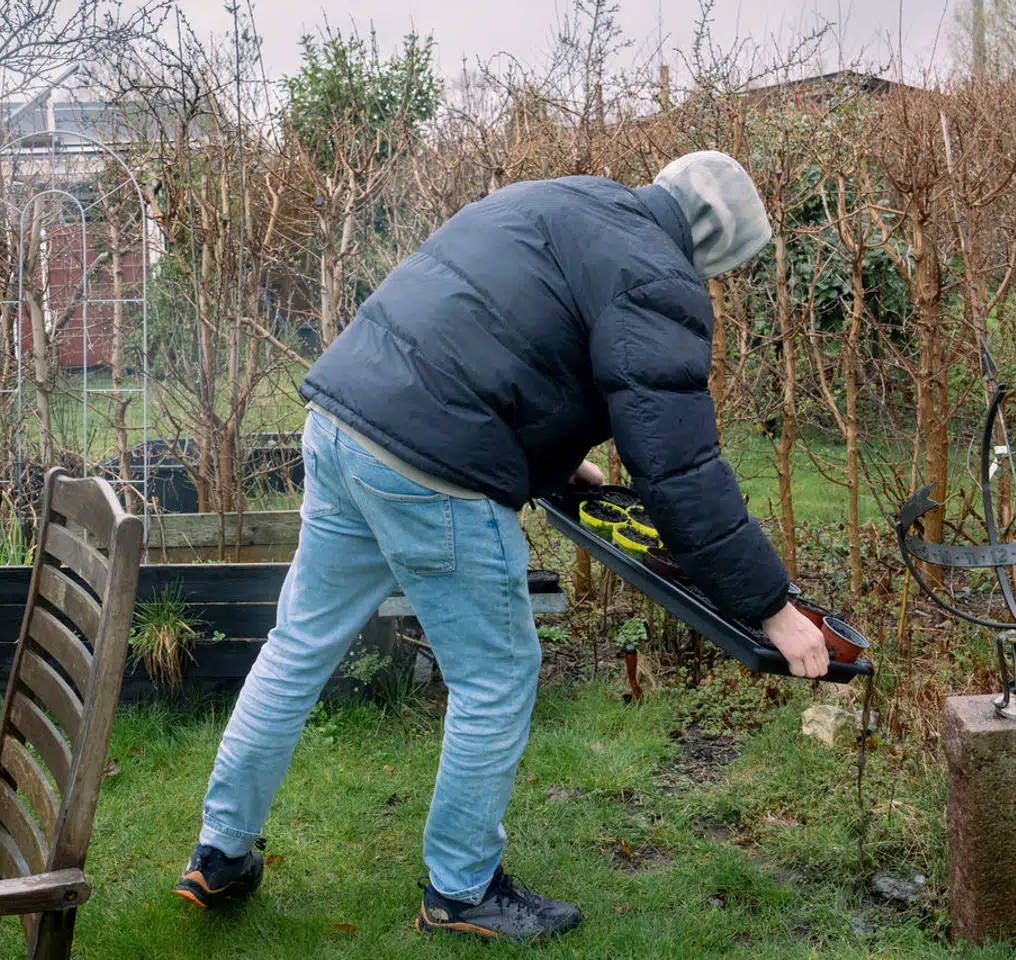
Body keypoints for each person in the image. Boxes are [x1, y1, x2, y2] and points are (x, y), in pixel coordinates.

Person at [172, 151, 830, 942]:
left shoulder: (567, 199)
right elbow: (679, 469)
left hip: (343, 419)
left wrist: (557, 462)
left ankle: (220, 853)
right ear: (719, 242)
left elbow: (499, 332)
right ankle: (461, 889)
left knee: (297, 645)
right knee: (496, 675)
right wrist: (772, 608)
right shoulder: (660, 275)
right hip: (431, 467)